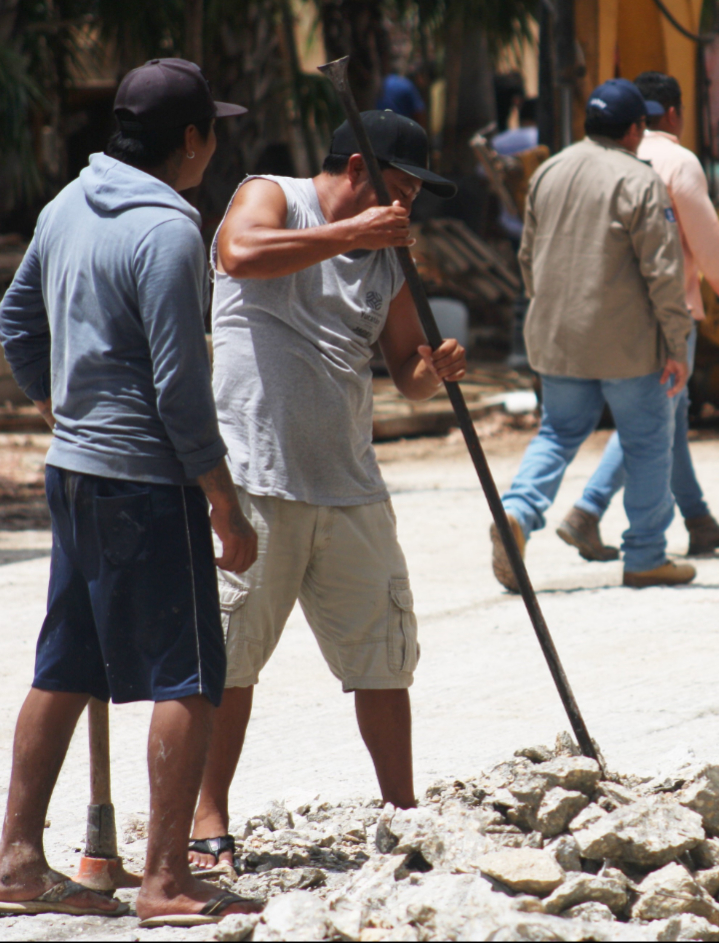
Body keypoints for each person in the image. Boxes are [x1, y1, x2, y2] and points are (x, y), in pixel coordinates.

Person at [0, 58, 260, 924]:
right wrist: (221, 495)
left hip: (74, 472)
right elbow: (180, 387)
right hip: (145, 480)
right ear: (190, 141)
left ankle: (17, 861)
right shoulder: (171, 230)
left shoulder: (67, 203)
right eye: (210, 130)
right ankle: (167, 879)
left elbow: (14, 323)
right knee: (188, 673)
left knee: (65, 661)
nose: (213, 147)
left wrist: (55, 401)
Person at [185, 111, 467, 871]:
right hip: (255, 478)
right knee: (232, 657)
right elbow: (239, 253)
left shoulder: (388, 253)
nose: (404, 207)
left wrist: (432, 370)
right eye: (398, 187)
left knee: (383, 657)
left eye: (412, 196)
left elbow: (406, 375)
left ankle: (402, 812)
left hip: (349, 485)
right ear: (354, 170)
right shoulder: (270, 195)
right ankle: (208, 819)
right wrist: (354, 235)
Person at [556, 71, 719, 562]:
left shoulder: (594, 160)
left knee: (669, 413)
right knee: (652, 417)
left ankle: (698, 520)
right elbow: (709, 248)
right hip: (667, 311)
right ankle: (586, 511)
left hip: (601, 310)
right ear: (672, 113)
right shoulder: (676, 160)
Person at [493, 78, 695, 590]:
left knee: (558, 433)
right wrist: (676, 343)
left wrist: (549, 311)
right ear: (636, 129)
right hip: (627, 343)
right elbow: (664, 272)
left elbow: (528, 257)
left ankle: (516, 512)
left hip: (557, 338)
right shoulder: (639, 180)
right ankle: (646, 554)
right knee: (648, 440)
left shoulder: (548, 172)